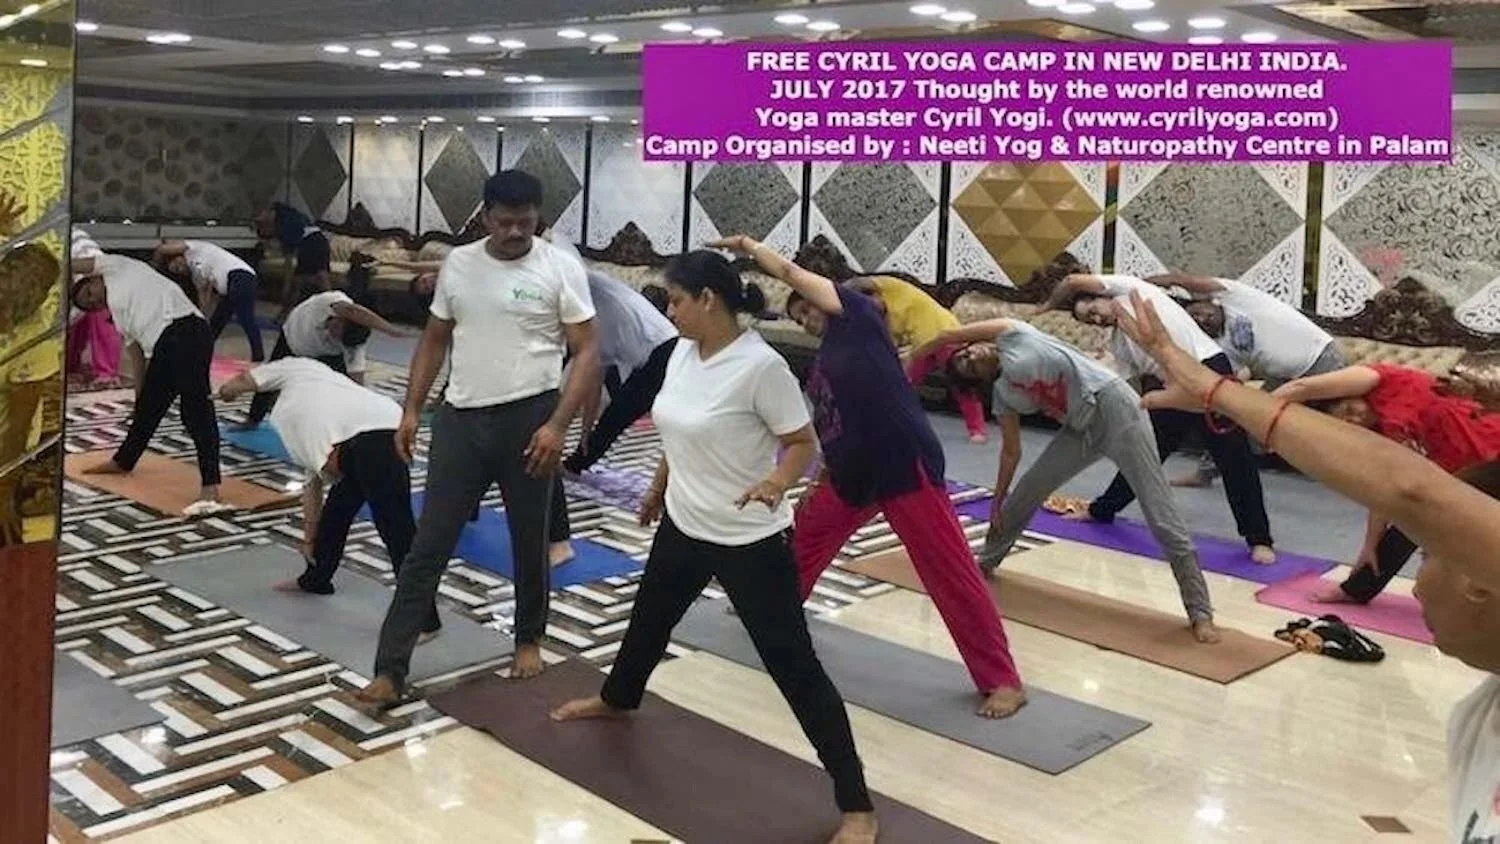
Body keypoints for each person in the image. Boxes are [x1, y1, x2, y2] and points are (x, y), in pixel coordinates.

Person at [1104, 288, 1500, 844]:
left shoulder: (1383, 381)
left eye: (1432, 559)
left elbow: (1409, 490)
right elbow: (1397, 492)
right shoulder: (1479, 720)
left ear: (1480, 580)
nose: (1418, 591)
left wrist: (1217, 389)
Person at [549, 249, 878, 844]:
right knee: (647, 622)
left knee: (793, 666)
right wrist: (656, 487)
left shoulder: (761, 367)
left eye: (675, 300)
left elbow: (802, 444)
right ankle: (618, 698)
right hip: (684, 523)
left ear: (708, 300)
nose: (667, 310)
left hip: (746, 540)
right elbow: (678, 428)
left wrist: (777, 482)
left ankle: (857, 805)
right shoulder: (679, 354)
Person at [724, 234, 1028, 716]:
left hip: (901, 463)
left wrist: (748, 246)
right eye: (799, 317)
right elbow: (834, 422)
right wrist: (819, 476)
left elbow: (791, 273)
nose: (806, 320)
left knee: (946, 570)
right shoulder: (825, 360)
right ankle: (778, 609)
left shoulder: (860, 320)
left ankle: (1002, 679)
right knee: (805, 536)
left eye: (808, 309)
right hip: (852, 472)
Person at [357, 170, 600, 706]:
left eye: (526, 221)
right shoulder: (460, 265)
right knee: (428, 545)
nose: (515, 231)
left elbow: (586, 351)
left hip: (530, 418)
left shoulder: (560, 268)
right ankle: (389, 671)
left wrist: (558, 424)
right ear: (485, 216)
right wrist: (412, 409)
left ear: (539, 217)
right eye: (505, 221)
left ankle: (528, 641)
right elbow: (435, 338)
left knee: (528, 538)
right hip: (460, 420)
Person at [919, 318, 1219, 642]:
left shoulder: (1016, 337)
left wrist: (912, 359)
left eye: (966, 352)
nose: (972, 353)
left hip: (1117, 410)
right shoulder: (1005, 395)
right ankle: (986, 563)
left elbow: (948, 333)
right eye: (967, 364)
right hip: (1081, 428)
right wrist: (997, 502)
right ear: (980, 381)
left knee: (1161, 518)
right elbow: (1010, 452)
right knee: (1026, 492)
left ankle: (1200, 612)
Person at [1040, 257, 1276, 564]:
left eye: (1093, 311)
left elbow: (1072, 283)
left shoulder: (1133, 291)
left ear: (1104, 295)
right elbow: (1116, 385)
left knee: (1234, 457)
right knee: (1142, 451)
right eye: (1089, 321)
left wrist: (1045, 307)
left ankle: (1259, 539)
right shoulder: (1120, 344)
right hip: (1173, 391)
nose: (1096, 319)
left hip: (1207, 371)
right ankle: (1102, 510)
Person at [215, 359, 436, 637]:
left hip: (374, 441)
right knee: (337, 514)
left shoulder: (288, 397)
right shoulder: (309, 374)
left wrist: (226, 391)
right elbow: (314, 483)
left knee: (397, 531)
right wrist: (310, 540)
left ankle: (426, 620)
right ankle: (316, 578)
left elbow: (244, 381)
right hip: (382, 426)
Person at [1269, 363, 1500, 605]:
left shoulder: (1384, 379)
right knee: (1413, 515)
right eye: (1346, 421)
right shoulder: (1378, 438)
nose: (1354, 417)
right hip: (1464, 475)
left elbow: (1301, 387)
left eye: (1349, 407)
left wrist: (1259, 414)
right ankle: (1359, 587)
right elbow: (1387, 493)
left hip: (1492, 451)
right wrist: (1370, 545)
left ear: (1351, 393)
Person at [1144, 273, 1345, 488]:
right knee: (1242, 419)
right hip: (1283, 378)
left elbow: (1194, 281)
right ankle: (1205, 473)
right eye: (1194, 320)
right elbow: (1234, 375)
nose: (1201, 319)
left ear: (1210, 301)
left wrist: (1163, 281)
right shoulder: (1220, 346)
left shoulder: (1237, 298)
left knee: (1340, 422)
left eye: (1199, 312)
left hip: (1322, 359)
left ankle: (1354, 475)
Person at [70, 256, 229, 517]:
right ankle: (123, 461)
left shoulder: (116, 267)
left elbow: (73, 261)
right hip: (165, 345)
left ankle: (211, 486)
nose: (93, 300)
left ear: (95, 278)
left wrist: (42, 257)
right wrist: (138, 397)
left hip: (186, 330)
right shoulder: (120, 319)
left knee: (195, 410)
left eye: (89, 292)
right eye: (88, 305)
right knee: (148, 410)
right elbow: (137, 361)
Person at [849, 274, 989, 444]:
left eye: (870, 301)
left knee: (961, 383)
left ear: (876, 293)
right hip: (920, 346)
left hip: (944, 334)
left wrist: (841, 289)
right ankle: (892, 421)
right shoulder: (878, 315)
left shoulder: (892, 287)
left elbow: (861, 282)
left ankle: (977, 429)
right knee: (903, 382)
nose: (871, 307)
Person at [242, 290, 405, 427]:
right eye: (337, 331)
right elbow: (355, 311)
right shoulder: (332, 301)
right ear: (341, 320)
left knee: (339, 386)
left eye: (339, 338)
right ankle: (253, 418)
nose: (335, 335)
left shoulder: (353, 345)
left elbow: (357, 380)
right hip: (292, 337)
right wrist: (390, 330)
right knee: (270, 376)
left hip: (324, 355)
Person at [154, 239, 266, 362]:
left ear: (178, 257)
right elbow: (204, 297)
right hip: (228, 287)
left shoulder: (195, 248)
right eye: (176, 270)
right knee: (217, 322)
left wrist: (157, 259)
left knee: (245, 318)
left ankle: (258, 355)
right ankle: (202, 350)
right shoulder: (195, 275)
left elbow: (164, 249)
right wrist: (200, 319)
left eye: (177, 265)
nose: (180, 269)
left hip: (240, 276)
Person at [66, 229, 123, 387]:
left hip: (91, 274)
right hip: (80, 277)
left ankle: (106, 373)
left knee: (101, 316)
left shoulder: (95, 283)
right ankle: (69, 366)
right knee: (76, 325)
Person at [258, 202, 331, 319]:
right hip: (315, 241)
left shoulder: (283, 225)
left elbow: (288, 260)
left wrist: (286, 285)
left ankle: (333, 308)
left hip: (313, 242)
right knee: (305, 281)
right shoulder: (286, 217)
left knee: (318, 278)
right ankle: (284, 315)